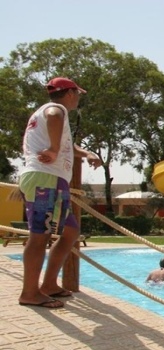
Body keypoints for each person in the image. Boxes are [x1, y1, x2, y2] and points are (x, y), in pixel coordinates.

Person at [17, 77, 102, 309]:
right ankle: (30, 293)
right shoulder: (56, 110)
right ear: (70, 93)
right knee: (39, 236)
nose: (78, 99)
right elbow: (54, 115)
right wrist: (54, 150)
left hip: (49, 179)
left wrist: (87, 154)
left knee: (71, 231)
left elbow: (68, 147)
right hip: (46, 179)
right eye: (78, 94)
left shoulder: (44, 115)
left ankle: (49, 285)